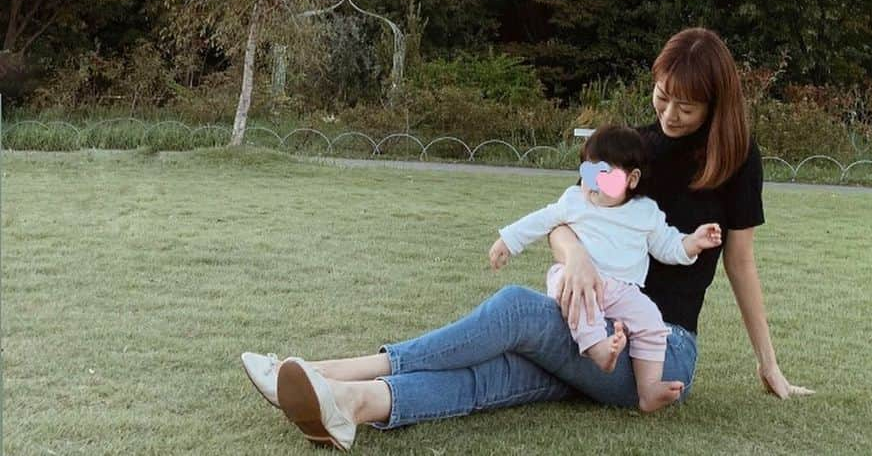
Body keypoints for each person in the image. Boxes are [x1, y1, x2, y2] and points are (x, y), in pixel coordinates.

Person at [241, 28, 812, 451]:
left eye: (685, 105)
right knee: (504, 373)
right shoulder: (627, 150)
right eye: (662, 95)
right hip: (586, 321)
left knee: (516, 310)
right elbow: (562, 218)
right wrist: (577, 257)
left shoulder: (736, 159)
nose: (668, 112)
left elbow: (741, 264)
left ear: (716, 104)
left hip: (658, 350)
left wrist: (770, 365)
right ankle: (353, 404)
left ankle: (331, 370)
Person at [490, 123, 723, 412]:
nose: (594, 184)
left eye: (606, 175)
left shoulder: (645, 212)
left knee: (651, 318)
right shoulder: (575, 200)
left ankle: (648, 388)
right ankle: (596, 348)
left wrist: (693, 242)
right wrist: (507, 240)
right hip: (577, 280)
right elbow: (542, 220)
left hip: (622, 290)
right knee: (582, 302)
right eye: (588, 173)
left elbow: (667, 246)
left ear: (632, 179)